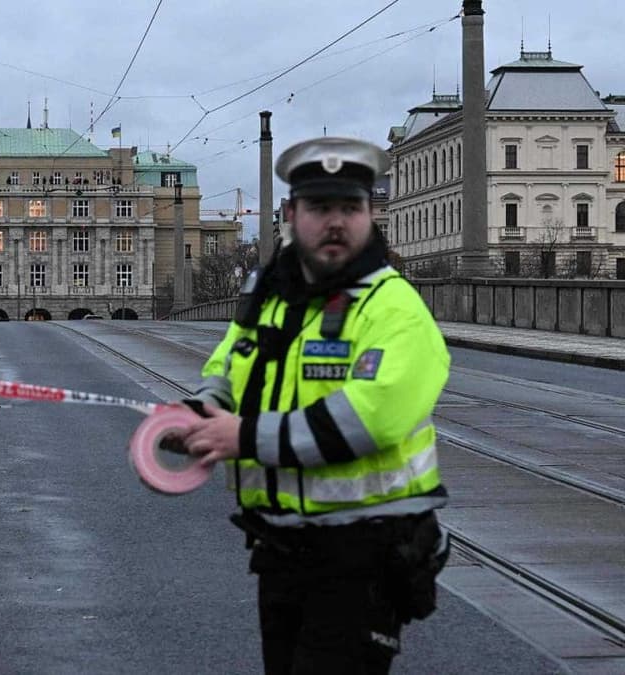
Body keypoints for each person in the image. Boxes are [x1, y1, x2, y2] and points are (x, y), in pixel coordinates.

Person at [168, 137, 451, 674]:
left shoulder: (393, 307)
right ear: (292, 215)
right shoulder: (273, 297)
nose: (337, 222)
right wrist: (200, 412)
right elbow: (228, 370)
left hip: (364, 550)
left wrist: (242, 438)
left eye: (351, 208)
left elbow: (372, 416)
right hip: (280, 547)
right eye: (321, 208)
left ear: (370, 215)